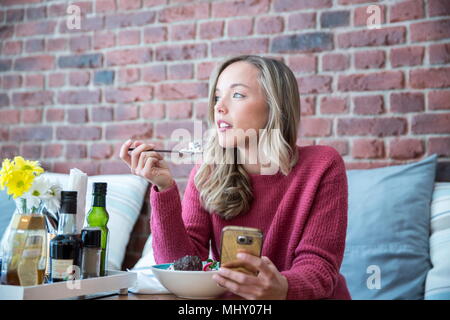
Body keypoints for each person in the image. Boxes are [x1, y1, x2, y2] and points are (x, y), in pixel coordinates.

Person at [119, 55, 351, 300]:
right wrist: (163, 187)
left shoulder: (323, 165)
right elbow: (182, 267)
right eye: (217, 96)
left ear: (275, 106)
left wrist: (283, 288)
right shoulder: (207, 170)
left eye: (237, 95)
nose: (218, 106)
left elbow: (320, 267)